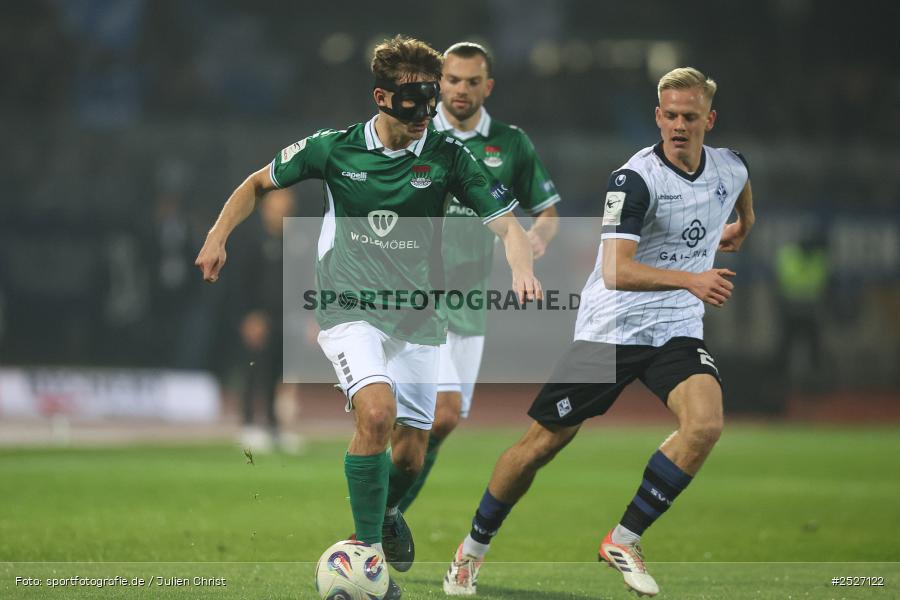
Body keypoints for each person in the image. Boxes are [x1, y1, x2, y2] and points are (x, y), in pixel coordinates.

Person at [194, 35, 541, 599]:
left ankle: (382, 517)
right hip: (348, 309)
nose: (422, 122)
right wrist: (217, 236)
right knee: (375, 416)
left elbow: (507, 223)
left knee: (412, 449)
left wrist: (520, 266)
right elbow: (258, 183)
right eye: (411, 110)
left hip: (418, 321)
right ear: (382, 98)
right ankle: (367, 557)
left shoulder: (449, 156)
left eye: (430, 107)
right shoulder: (334, 148)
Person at [443, 67, 755, 597]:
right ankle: (470, 553)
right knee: (541, 445)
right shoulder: (633, 180)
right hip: (612, 330)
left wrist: (740, 228)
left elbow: (743, 205)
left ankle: (623, 539)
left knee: (704, 425)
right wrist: (693, 278)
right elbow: (616, 271)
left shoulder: (732, 167)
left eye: (691, 117)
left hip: (675, 329)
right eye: (671, 116)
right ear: (658, 116)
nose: (679, 125)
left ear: (710, 119)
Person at [397, 42, 560, 514]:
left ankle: (386, 513)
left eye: (472, 81)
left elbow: (546, 210)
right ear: (438, 83)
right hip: (415, 295)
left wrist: (538, 235)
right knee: (427, 414)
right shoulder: (416, 135)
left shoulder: (510, 143)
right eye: (452, 80)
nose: (461, 89)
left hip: (468, 302)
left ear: (487, 86)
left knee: (443, 421)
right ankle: (381, 522)